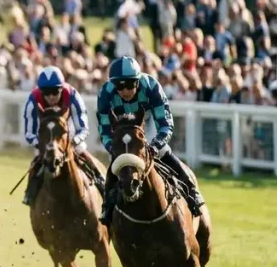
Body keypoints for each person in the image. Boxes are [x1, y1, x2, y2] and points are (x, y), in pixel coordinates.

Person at [96, 56, 206, 223]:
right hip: (123, 128)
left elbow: (165, 125)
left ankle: (192, 192)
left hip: (148, 122)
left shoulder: (151, 87)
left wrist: (155, 146)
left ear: (137, 81)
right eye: (119, 86)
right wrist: (114, 149)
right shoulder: (105, 93)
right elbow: (104, 131)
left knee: (164, 152)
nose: (125, 91)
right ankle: (107, 207)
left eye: (130, 85)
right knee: (116, 163)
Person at [22, 66, 104, 205]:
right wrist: (42, 145)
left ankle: (101, 182)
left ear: (62, 89)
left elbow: (83, 128)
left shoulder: (72, 95)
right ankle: (30, 192)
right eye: (46, 93)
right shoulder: (33, 99)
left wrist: (72, 142)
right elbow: (29, 133)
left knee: (81, 150)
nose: (51, 97)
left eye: (55, 92)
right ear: (41, 92)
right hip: (46, 133)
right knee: (37, 161)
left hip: (68, 130)